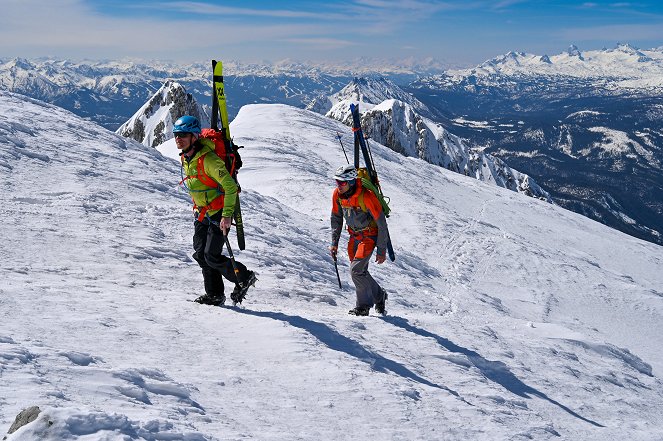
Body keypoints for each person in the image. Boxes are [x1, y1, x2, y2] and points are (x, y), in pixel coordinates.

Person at [175, 115, 256, 306]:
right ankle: (214, 294)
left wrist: (227, 216)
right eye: (176, 135)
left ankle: (244, 277)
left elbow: (230, 187)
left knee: (211, 255)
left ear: (194, 136)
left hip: (219, 212)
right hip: (202, 212)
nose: (179, 138)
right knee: (201, 253)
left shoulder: (209, 160)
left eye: (184, 135)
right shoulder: (187, 157)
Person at [330, 164, 389, 316]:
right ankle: (379, 295)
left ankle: (363, 306)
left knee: (356, 270)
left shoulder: (367, 196)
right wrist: (334, 243)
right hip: (353, 238)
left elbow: (382, 224)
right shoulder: (337, 195)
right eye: (337, 182)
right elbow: (336, 219)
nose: (338, 186)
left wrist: (381, 250)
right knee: (359, 271)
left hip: (369, 237)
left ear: (350, 182)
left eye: (341, 183)